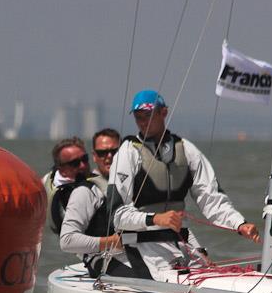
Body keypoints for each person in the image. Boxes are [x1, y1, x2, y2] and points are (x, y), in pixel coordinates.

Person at [109, 89, 260, 280]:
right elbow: (117, 215)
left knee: (213, 278)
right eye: (138, 117)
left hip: (181, 240)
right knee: (183, 283)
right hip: (142, 244)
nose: (142, 122)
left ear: (164, 113)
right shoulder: (128, 152)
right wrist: (155, 219)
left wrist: (239, 223)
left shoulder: (186, 150)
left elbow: (210, 198)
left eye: (148, 115)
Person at [59, 128, 135, 277]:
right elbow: (67, 240)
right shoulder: (86, 192)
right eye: (102, 153)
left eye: (114, 151)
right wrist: (110, 241)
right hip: (103, 259)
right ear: (94, 156)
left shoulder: (132, 186)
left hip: (138, 254)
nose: (109, 157)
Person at [41, 137, 91, 233]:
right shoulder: (74, 195)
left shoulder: (48, 178)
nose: (83, 165)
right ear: (61, 168)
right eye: (75, 163)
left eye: (85, 159)